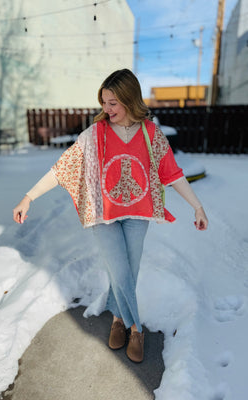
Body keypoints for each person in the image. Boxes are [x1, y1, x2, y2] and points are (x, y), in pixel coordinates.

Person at [13, 69, 208, 363]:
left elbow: (173, 173)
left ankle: (117, 319)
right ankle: (135, 328)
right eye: (104, 102)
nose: (107, 109)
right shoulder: (95, 135)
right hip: (103, 215)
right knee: (119, 270)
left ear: (130, 100)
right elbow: (61, 169)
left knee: (128, 270)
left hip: (138, 215)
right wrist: (29, 196)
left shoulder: (151, 134)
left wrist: (198, 206)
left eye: (113, 102)